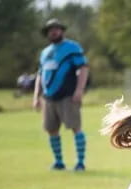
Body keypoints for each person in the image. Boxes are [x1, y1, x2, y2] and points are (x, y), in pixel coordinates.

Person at [33, 18, 89, 171]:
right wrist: (36, 96)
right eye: (51, 29)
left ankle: (80, 162)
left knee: (75, 127)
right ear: (47, 33)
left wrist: (79, 90)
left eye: (57, 28)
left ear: (62, 31)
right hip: (48, 98)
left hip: (68, 96)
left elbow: (83, 68)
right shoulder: (45, 52)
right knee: (52, 130)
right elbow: (40, 74)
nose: (54, 31)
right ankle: (59, 162)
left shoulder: (72, 48)